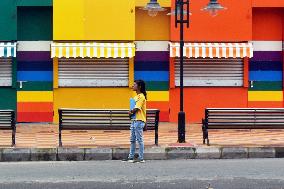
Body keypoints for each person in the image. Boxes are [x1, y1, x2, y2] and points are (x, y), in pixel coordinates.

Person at [123, 80, 147, 163]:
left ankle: (141, 158)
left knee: (139, 140)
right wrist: (131, 113)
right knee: (132, 140)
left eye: (134, 85)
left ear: (139, 86)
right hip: (134, 120)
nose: (133, 86)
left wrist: (131, 112)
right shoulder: (135, 97)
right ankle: (131, 157)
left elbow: (137, 108)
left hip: (139, 120)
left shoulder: (141, 96)